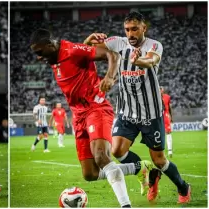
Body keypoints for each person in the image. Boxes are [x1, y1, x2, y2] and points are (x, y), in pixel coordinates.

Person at [30, 28, 153, 208]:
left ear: (50, 45)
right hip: (78, 115)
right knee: (90, 174)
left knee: (102, 157)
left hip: (96, 108)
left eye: (39, 52)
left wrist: (110, 77)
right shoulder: (54, 55)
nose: (38, 57)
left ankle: (126, 205)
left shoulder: (70, 50)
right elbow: (75, 60)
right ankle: (138, 167)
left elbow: (113, 56)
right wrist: (86, 44)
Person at [83, 11, 190, 204]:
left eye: (134, 29)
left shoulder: (154, 45)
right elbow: (84, 53)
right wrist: (89, 39)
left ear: (143, 28)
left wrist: (138, 61)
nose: (130, 34)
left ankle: (183, 187)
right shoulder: (117, 42)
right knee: (116, 151)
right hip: (127, 111)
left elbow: (152, 60)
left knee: (159, 160)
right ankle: (146, 171)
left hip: (151, 112)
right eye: (127, 30)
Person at [161, 87, 173, 158]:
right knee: (159, 134)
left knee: (168, 132)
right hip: (159, 117)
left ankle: (170, 151)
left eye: (161, 89)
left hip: (165, 116)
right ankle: (162, 151)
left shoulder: (167, 97)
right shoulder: (154, 97)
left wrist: (171, 116)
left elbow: (169, 107)